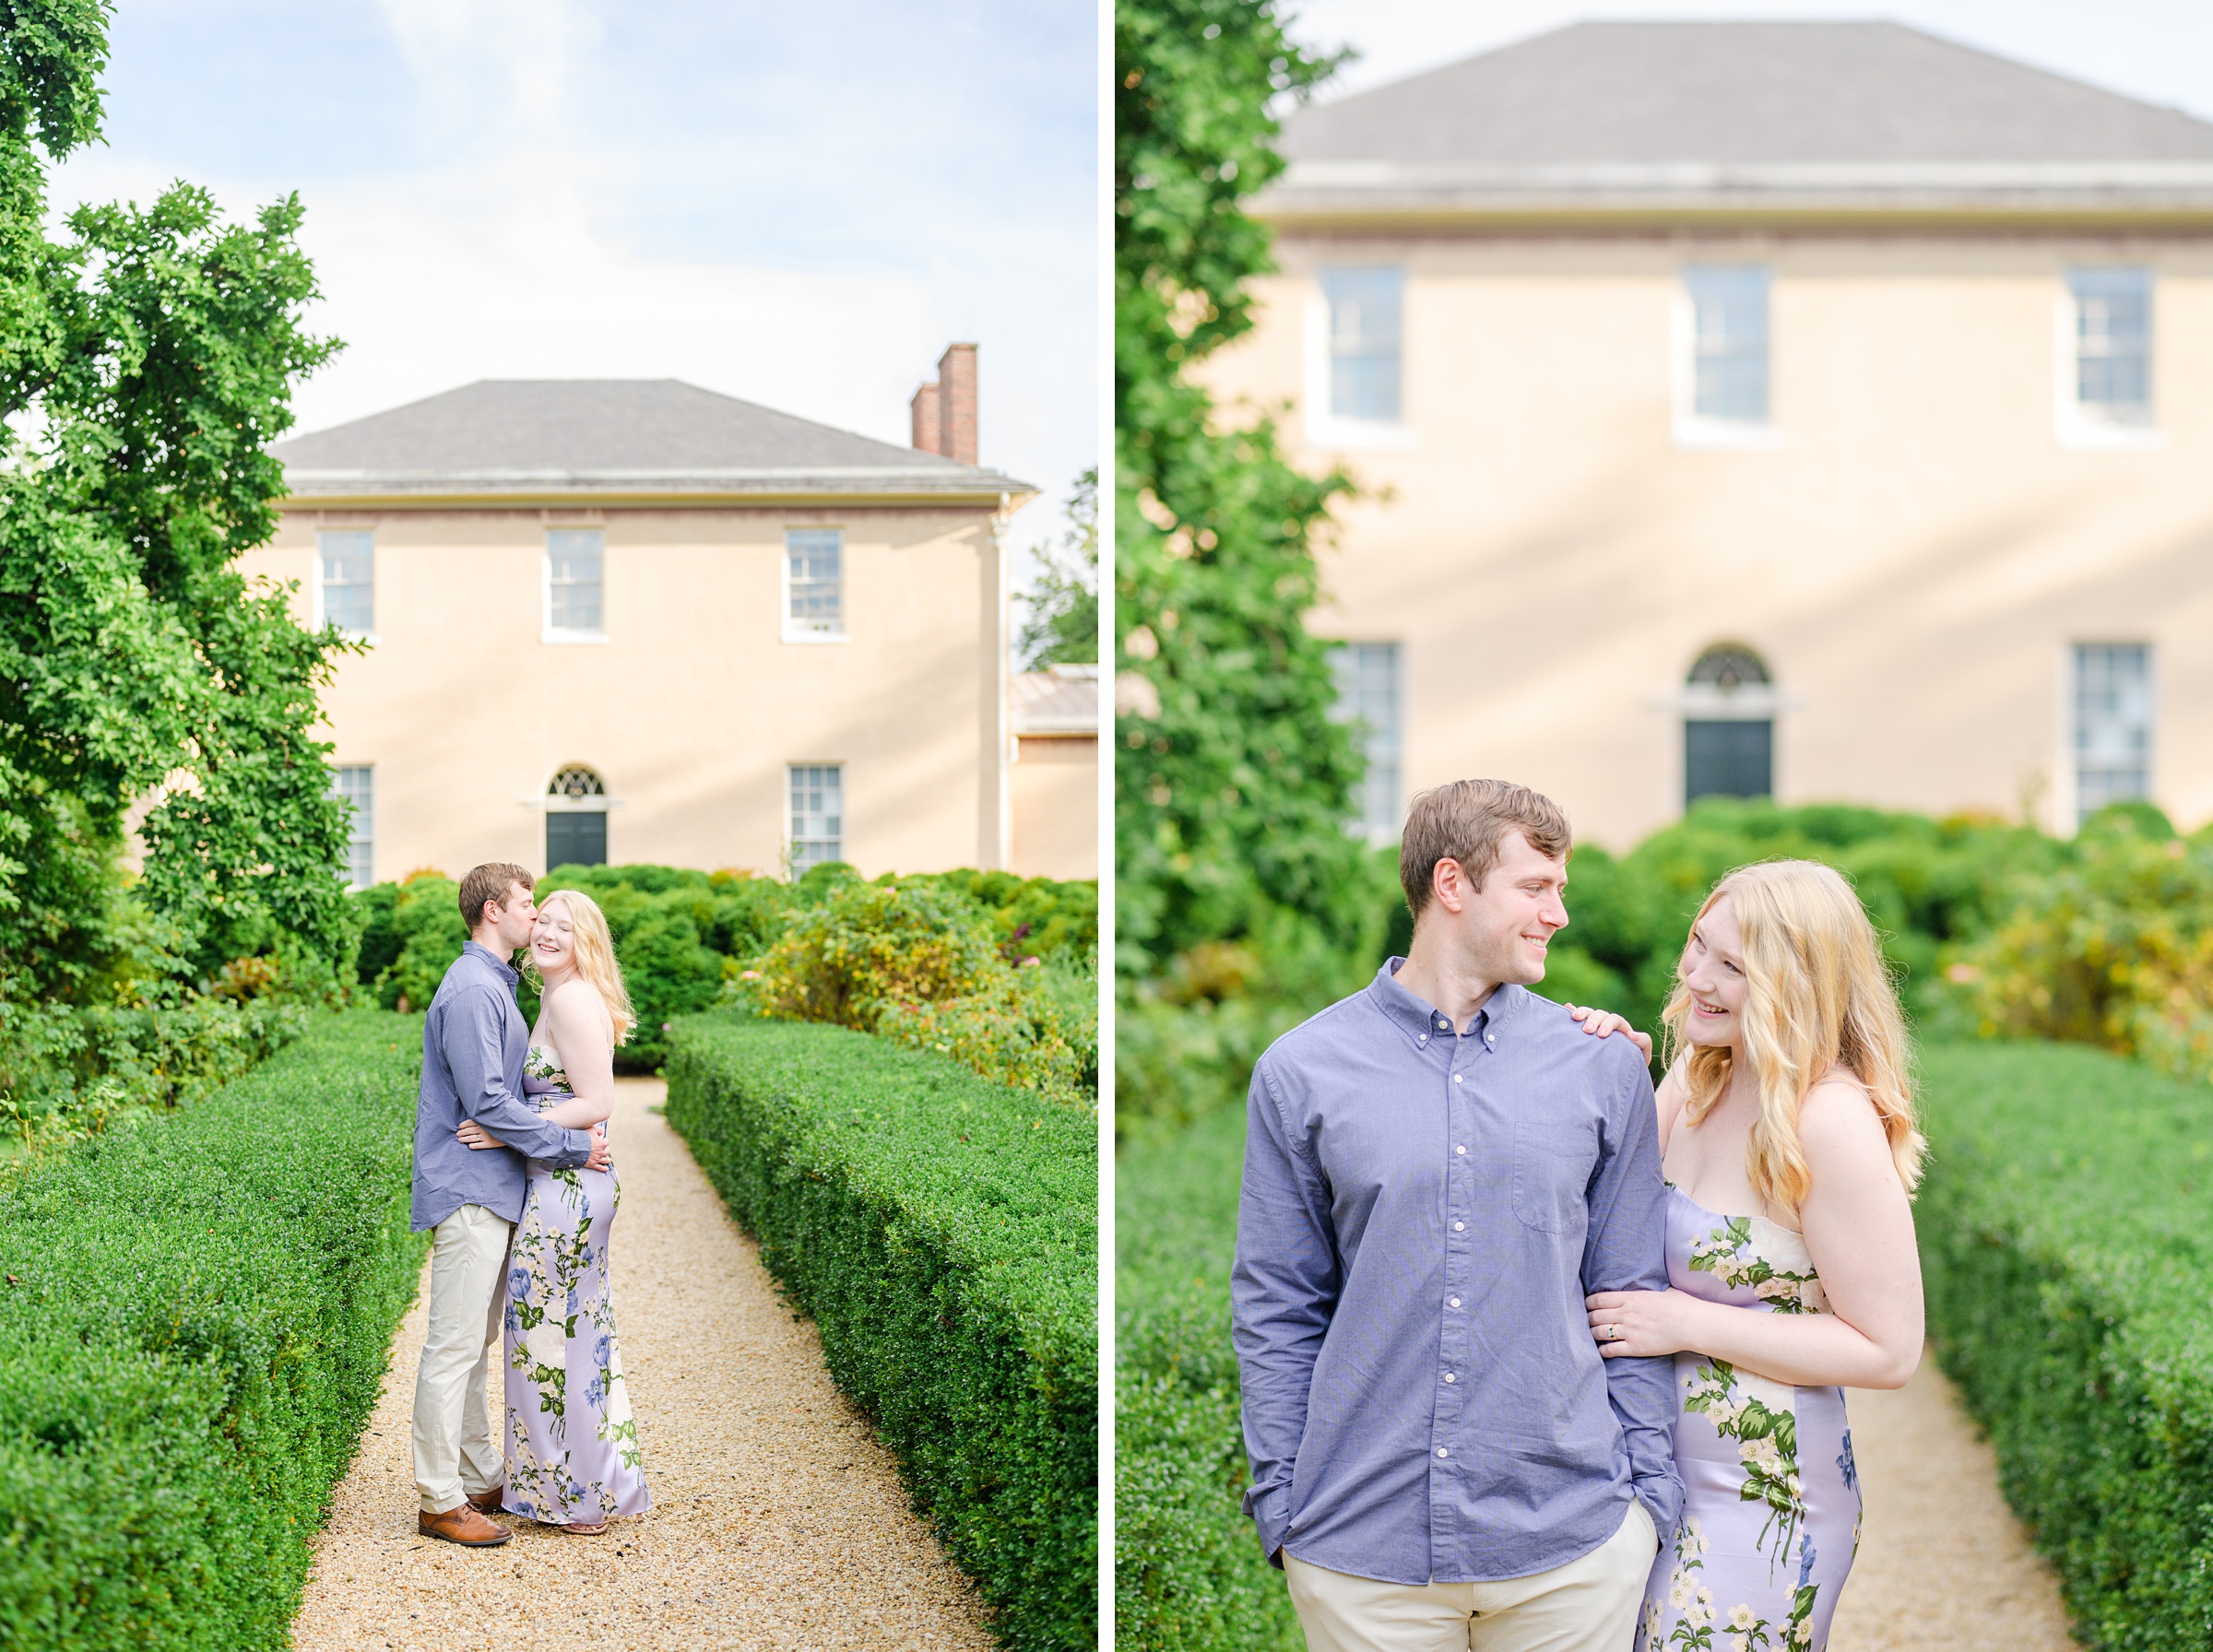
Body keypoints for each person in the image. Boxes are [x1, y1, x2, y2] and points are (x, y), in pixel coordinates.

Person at [1232, 779, 1681, 1652]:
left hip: (1572, 1547)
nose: (1558, 913)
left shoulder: (1603, 1068)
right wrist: (1284, 1507)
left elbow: (1631, 1292)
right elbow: (1278, 1305)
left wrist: (1645, 1505)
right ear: (1451, 884)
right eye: (1536, 887)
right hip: (1362, 1555)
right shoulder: (1300, 1072)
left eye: (1561, 889)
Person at [1576, 861, 1924, 1652]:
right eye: (1699, 946)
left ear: (1794, 983)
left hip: (1766, 1495)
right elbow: (1605, 1221)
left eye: (1733, 966)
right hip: (1646, 1482)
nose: (1697, 976)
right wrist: (1601, 1081)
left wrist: (1686, 1321)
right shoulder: (1698, 1080)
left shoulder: (1828, 1119)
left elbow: (1889, 1349)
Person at [411, 863, 609, 1549]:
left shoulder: (498, 985)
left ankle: (477, 1473)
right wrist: (571, 1145)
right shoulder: (472, 990)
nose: (537, 915)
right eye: (528, 903)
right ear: (494, 911)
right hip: (469, 1187)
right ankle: (439, 1499)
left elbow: (503, 1104)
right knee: (453, 1345)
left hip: (492, 1187)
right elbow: (489, 1102)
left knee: (475, 1343)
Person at [456, 887, 651, 1533]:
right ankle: (577, 1482)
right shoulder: (556, 995)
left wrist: (505, 1126)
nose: (547, 934)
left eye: (564, 929)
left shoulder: (568, 1000)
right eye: (543, 921)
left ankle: (570, 1494)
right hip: (567, 1180)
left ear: (585, 943)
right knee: (572, 1334)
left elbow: (597, 1103)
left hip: (566, 1190)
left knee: (547, 1339)